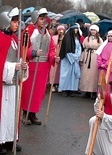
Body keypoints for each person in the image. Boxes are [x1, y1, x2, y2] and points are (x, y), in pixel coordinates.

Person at [21, 8, 58, 125]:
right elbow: (22, 47)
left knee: (39, 92)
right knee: (28, 90)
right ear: (36, 19)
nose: (43, 21)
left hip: (43, 67)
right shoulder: (28, 31)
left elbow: (51, 48)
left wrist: (54, 57)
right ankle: (24, 113)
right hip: (31, 65)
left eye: (44, 19)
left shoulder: (47, 32)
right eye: (41, 19)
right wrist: (32, 53)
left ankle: (33, 113)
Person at [0, 5, 28, 153]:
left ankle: (11, 138)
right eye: (15, 21)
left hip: (13, 84)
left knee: (13, 112)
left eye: (18, 21)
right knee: (3, 113)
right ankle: (1, 141)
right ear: (6, 21)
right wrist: (12, 68)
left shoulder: (15, 39)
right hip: (3, 85)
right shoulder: (0, 38)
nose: (18, 24)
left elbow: (19, 57)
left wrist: (22, 65)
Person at [79, 24, 103, 99]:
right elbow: (84, 49)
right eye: (92, 30)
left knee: (94, 75)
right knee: (85, 75)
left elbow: (101, 50)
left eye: (94, 30)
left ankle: (93, 91)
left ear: (97, 31)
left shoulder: (99, 39)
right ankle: (86, 91)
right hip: (87, 57)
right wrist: (82, 59)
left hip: (95, 57)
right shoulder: (87, 38)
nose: (93, 31)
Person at [58, 23, 82, 97]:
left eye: (77, 29)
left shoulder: (77, 39)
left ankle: (71, 90)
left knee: (73, 76)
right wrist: (72, 58)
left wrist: (77, 56)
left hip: (74, 59)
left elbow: (79, 49)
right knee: (66, 75)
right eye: (75, 29)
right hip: (67, 60)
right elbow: (66, 50)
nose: (76, 30)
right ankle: (64, 89)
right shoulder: (67, 38)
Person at [49, 24, 66, 92]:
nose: (60, 31)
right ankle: (52, 84)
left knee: (60, 70)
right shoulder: (54, 37)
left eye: (62, 30)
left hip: (61, 54)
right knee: (53, 70)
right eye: (59, 30)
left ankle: (59, 84)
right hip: (55, 53)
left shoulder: (65, 37)